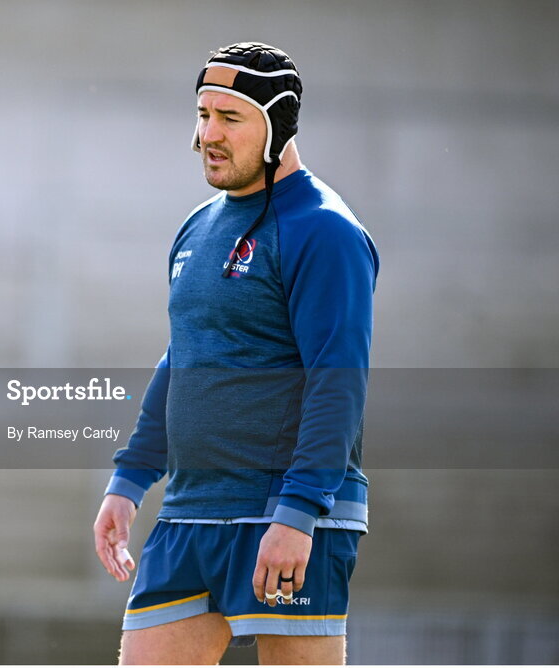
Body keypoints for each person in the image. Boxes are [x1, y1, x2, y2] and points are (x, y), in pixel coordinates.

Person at [92, 43, 379, 665]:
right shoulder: (198, 226)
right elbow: (183, 359)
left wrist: (299, 513)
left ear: (277, 125)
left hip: (285, 514)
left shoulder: (324, 229)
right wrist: (130, 478)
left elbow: (339, 382)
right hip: (191, 513)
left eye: (230, 118)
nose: (206, 135)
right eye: (202, 115)